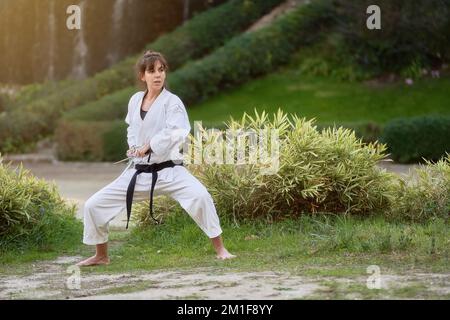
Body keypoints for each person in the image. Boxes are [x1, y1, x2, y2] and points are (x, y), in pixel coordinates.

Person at [77, 50, 236, 266]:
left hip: (171, 171)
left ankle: (221, 249)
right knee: (93, 205)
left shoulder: (173, 102)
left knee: (200, 197)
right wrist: (134, 148)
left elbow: (178, 131)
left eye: (161, 70)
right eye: (152, 71)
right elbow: (131, 129)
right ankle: (102, 255)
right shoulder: (135, 100)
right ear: (143, 76)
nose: (158, 75)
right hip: (139, 172)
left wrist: (150, 145)